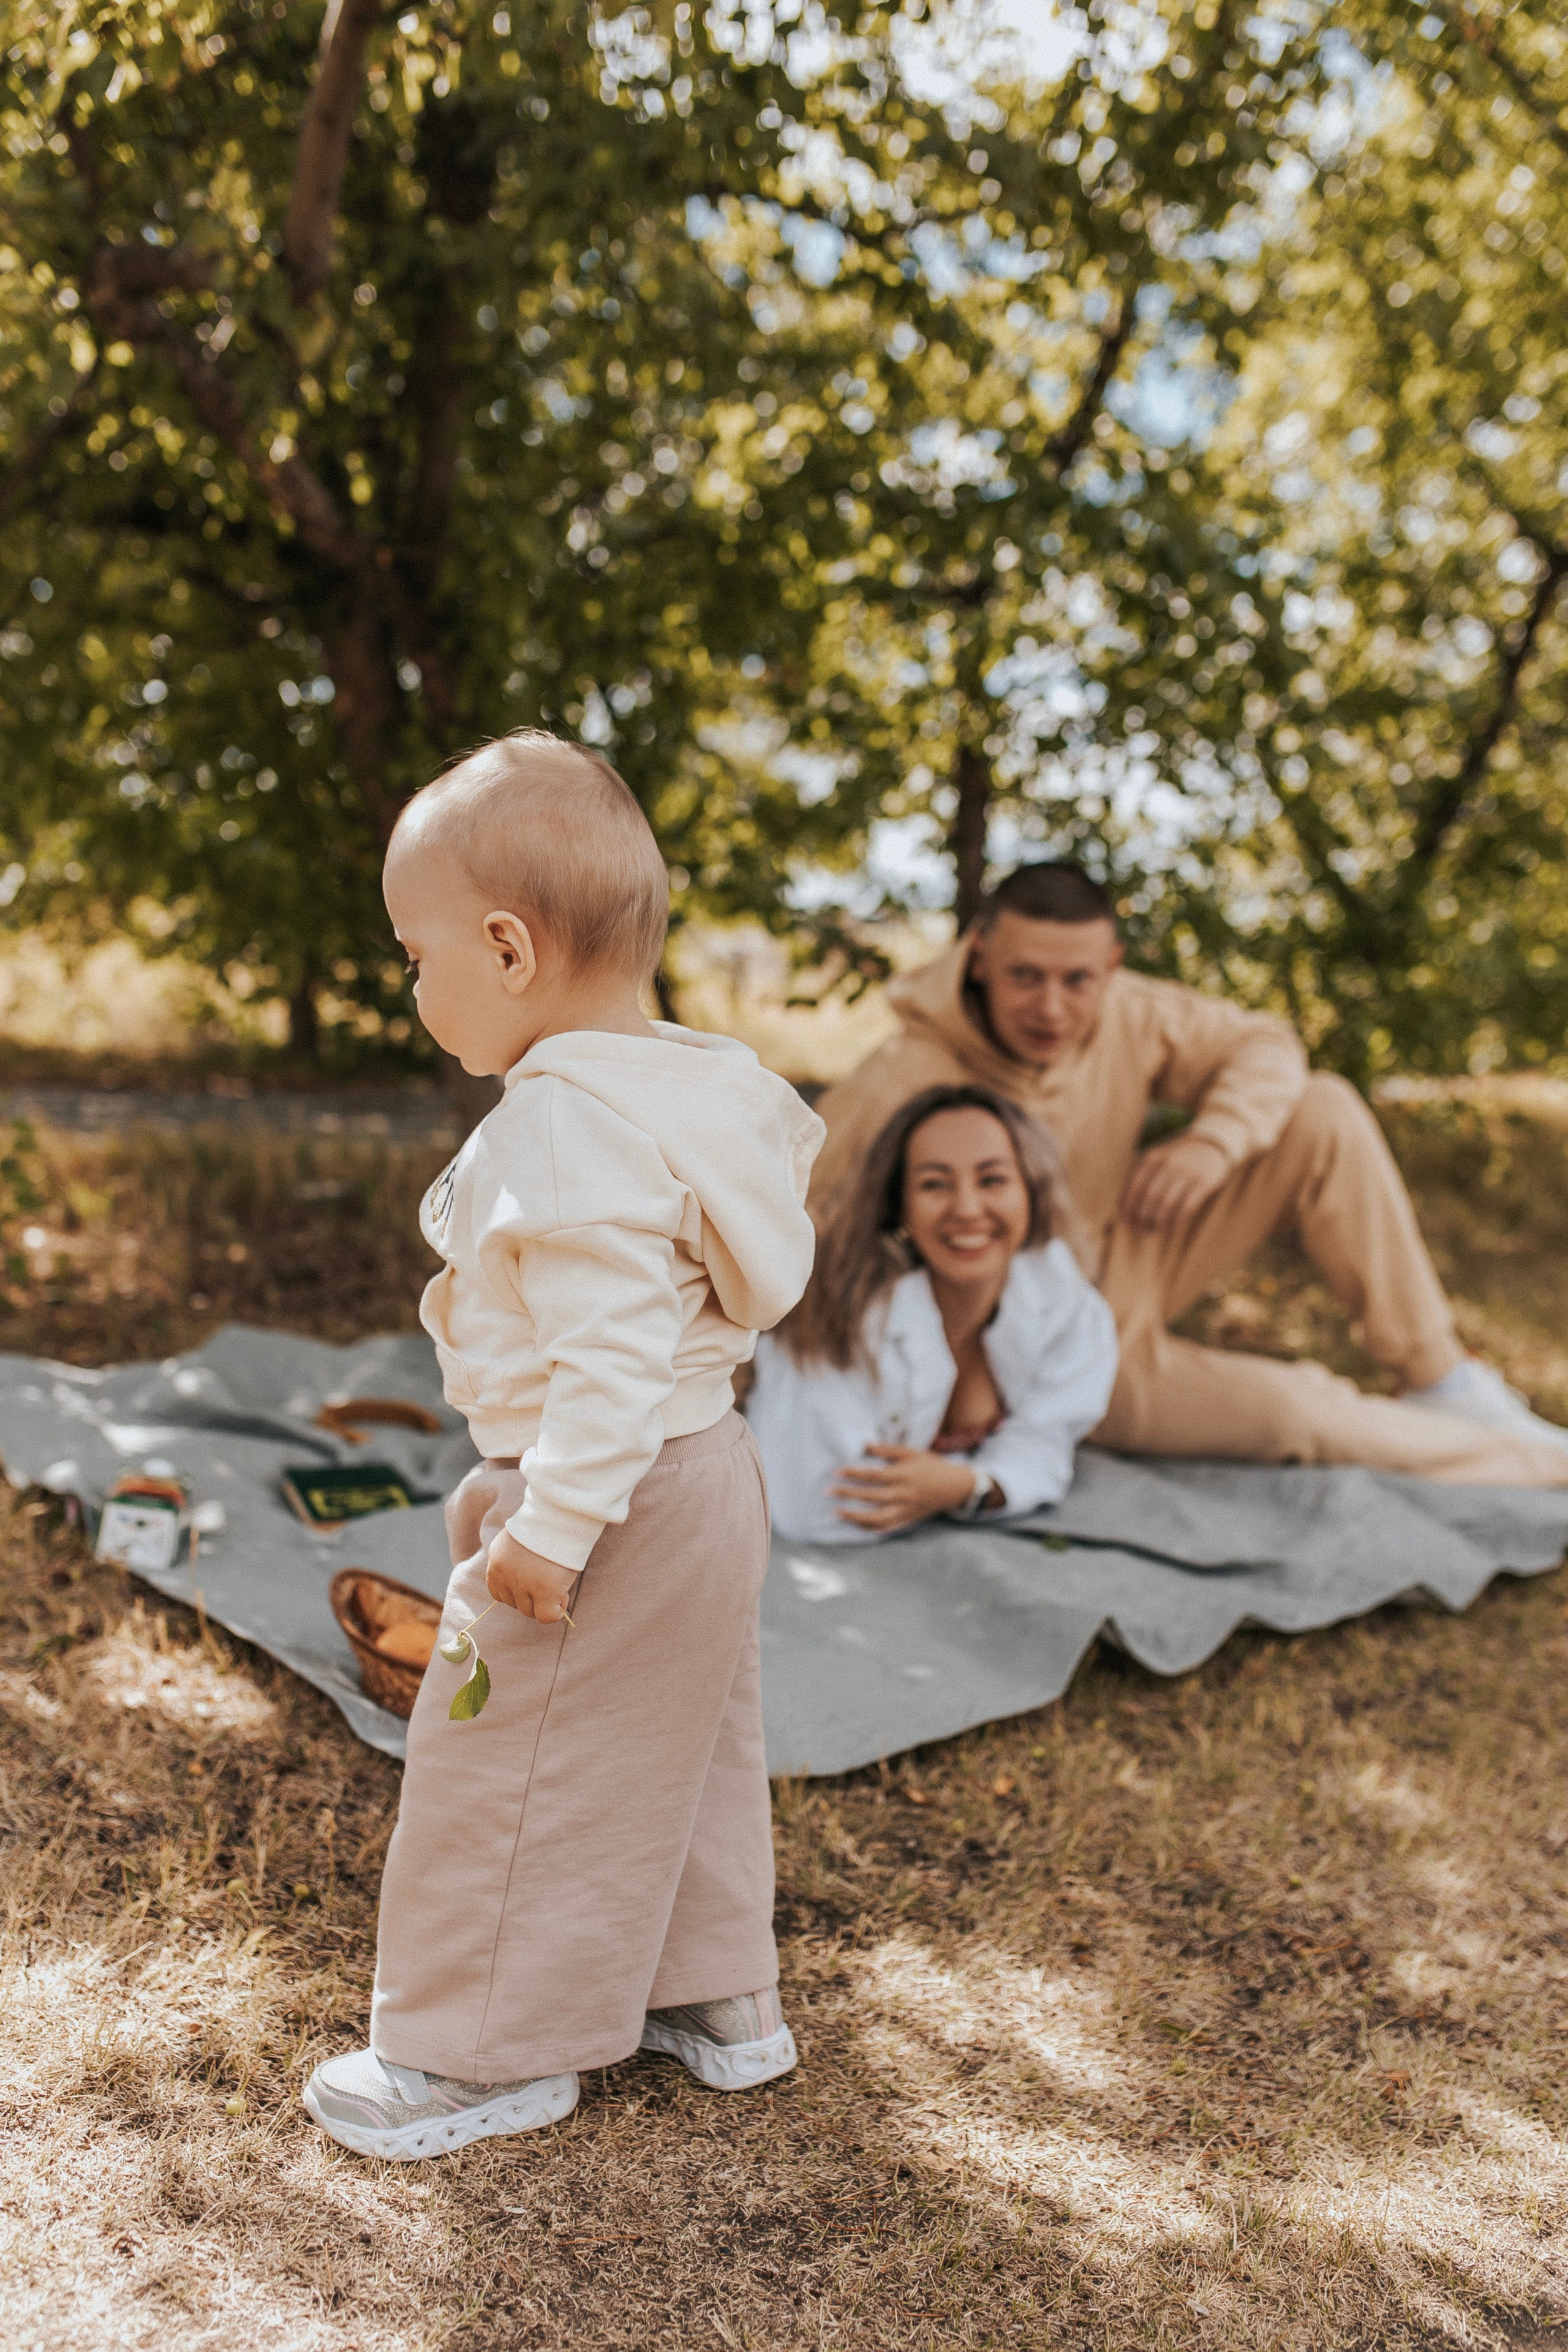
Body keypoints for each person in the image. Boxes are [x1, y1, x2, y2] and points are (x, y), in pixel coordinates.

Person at [303, 731, 824, 2162]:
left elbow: (608, 1357)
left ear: (507, 949)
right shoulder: (693, 1082)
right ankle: (713, 1991)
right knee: (685, 1735)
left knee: (503, 1759)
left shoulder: (558, 1125)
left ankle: (478, 2055)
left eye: (418, 957)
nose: (415, 987)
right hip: (705, 1473)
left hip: (606, 1490)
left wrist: (551, 1523)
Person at [810, 861, 1568, 1487]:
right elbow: (795, 1238)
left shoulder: (1129, 1012)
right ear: (978, 958)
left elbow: (1264, 1046)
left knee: (1323, 1109)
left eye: (1077, 981)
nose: (1052, 1008)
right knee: (1298, 1413)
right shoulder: (901, 1080)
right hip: (1030, 1347)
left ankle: (1440, 1381)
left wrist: (1212, 1143)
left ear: (1111, 968)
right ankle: (1542, 1469)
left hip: (1130, 1251)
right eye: (1025, 977)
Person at [747, 1085, 1117, 1542]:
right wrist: (983, 1479)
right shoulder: (839, 1313)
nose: (967, 1209)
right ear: (898, 1205)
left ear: (1031, 1191)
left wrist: (961, 1486)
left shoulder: (1067, 1305)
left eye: (993, 1180)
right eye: (934, 1184)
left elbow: (1046, 1446)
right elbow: (815, 1506)